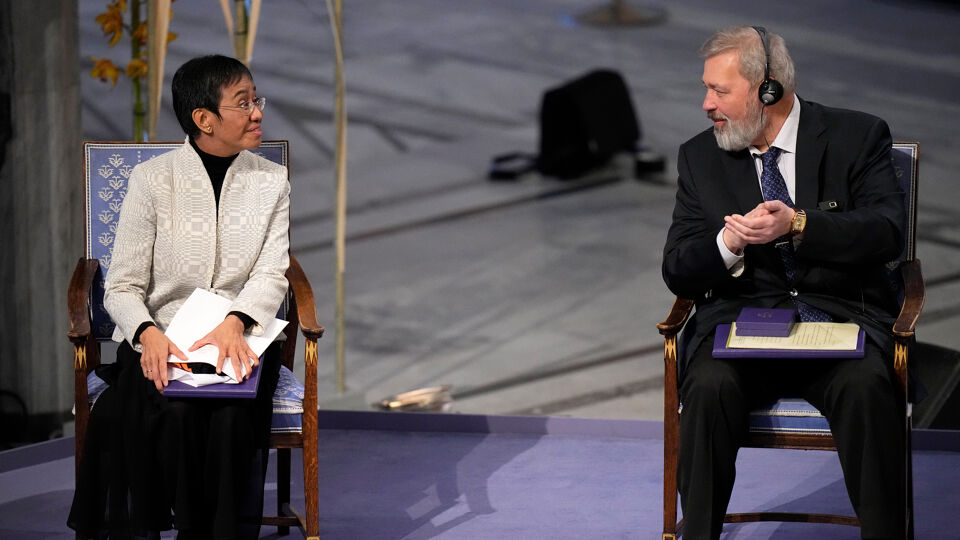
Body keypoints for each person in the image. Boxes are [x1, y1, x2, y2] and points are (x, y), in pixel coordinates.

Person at [662, 26, 907, 540]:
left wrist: (798, 224)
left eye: (719, 91)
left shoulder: (856, 136)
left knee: (867, 386)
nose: (706, 104)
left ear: (767, 90)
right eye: (707, 89)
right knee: (706, 386)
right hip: (740, 328)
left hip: (839, 320)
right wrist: (729, 246)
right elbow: (678, 267)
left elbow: (886, 233)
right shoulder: (699, 157)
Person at [68, 54, 290, 539]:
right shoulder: (152, 180)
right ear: (204, 119)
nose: (257, 113)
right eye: (243, 103)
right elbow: (123, 285)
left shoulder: (270, 181)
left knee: (232, 415)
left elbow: (273, 272)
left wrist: (237, 320)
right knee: (175, 409)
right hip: (163, 337)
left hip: (242, 336)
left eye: (256, 100)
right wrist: (147, 333)